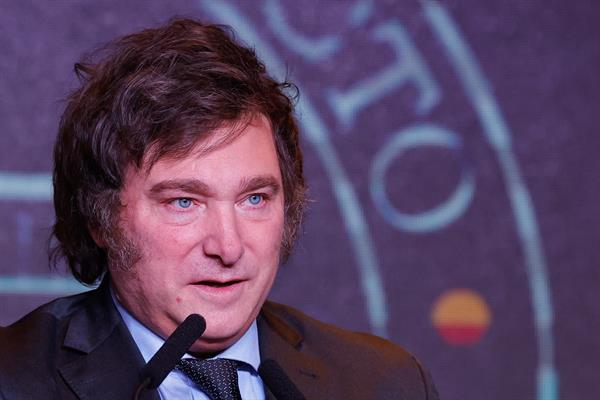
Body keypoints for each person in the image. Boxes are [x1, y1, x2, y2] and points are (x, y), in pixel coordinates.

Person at [0, 19, 439, 400]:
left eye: (254, 199)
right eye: (184, 202)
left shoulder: (387, 384)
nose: (228, 248)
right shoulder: (13, 380)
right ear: (101, 217)